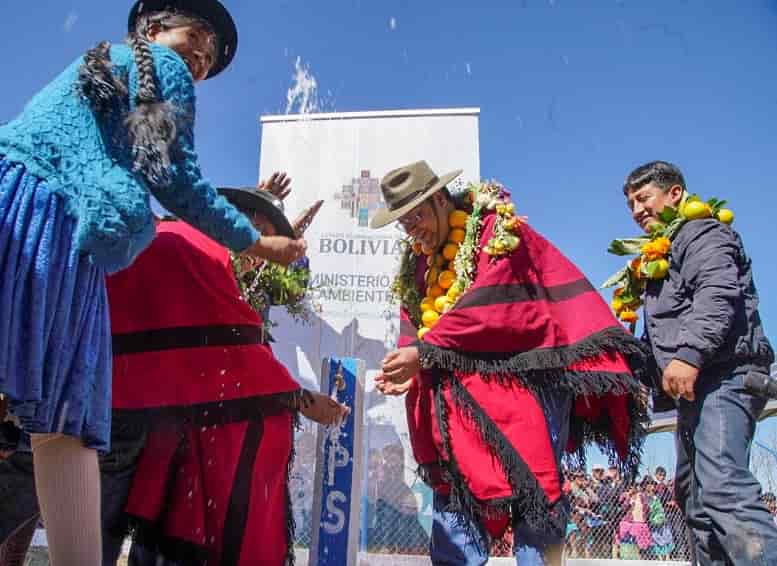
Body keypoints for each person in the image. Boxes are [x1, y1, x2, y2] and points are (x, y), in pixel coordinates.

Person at [0, 2, 306, 564]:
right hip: (50, 220)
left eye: (209, 58)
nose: (200, 58)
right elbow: (177, 180)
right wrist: (261, 243)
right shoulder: (157, 68)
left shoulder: (99, 68)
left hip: (25, 210)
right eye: (196, 37)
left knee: (56, 427)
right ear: (152, 31)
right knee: (64, 425)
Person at [0, 179, 341, 565]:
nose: (259, 253)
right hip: (90, 414)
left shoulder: (177, 242)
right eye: (258, 234)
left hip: (84, 410)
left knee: (64, 529)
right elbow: (232, 352)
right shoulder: (192, 250)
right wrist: (305, 402)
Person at [371, 161, 649, 565]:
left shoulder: (500, 232)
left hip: (531, 384)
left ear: (439, 199)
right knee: (456, 503)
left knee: (534, 503)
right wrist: (407, 369)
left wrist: (426, 353)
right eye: (403, 223)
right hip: (463, 402)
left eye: (416, 216)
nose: (413, 230)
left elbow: (499, 306)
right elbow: (415, 324)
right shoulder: (419, 263)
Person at [622, 160, 777, 564]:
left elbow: (717, 295)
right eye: (631, 204)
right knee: (695, 499)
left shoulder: (703, 234)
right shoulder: (660, 258)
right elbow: (661, 337)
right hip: (692, 390)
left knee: (723, 486)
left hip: (726, 378)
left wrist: (689, 356)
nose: (637, 210)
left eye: (643, 198)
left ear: (675, 194)